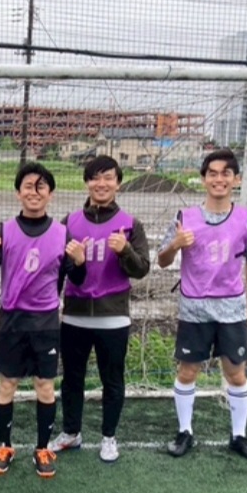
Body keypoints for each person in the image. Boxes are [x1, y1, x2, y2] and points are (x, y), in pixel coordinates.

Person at [0, 163, 87, 480]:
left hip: (45, 322)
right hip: (12, 320)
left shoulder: (62, 234)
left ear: (50, 194)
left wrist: (80, 262)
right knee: (7, 384)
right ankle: (4, 446)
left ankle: (42, 449)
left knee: (44, 386)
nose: (34, 192)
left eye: (41, 186)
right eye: (28, 186)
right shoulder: (5, 230)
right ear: (18, 193)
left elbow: (77, 278)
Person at [156, 148, 247, 463]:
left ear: (236, 179)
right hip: (195, 309)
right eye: (212, 173)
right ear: (203, 179)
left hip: (231, 309)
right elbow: (162, 260)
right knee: (188, 370)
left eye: (225, 173)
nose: (219, 179)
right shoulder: (185, 218)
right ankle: (185, 431)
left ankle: (239, 435)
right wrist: (175, 245)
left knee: (235, 373)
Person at [50, 156, 151, 463]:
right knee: (72, 379)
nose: (101, 184)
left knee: (112, 380)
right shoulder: (69, 222)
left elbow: (141, 269)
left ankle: (109, 437)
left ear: (118, 183)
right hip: (75, 315)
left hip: (113, 317)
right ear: (87, 183)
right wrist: (56, 299)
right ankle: (71, 432)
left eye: (108, 178)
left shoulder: (131, 224)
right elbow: (59, 268)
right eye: (95, 178)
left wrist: (125, 250)